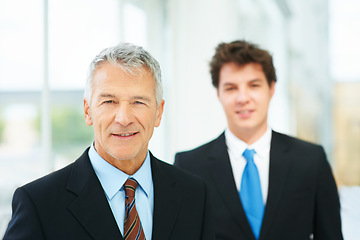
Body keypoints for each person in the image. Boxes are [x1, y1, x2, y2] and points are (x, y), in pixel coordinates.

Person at [4, 43, 215, 240]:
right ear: (88, 112)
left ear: (158, 113)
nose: (123, 118)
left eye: (138, 101)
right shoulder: (39, 203)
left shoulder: (195, 195)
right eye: (109, 101)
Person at [174, 40, 343, 240]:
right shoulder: (189, 167)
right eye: (231, 88)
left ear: (271, 89)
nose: (243, 98)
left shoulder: (311, 161)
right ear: (218, 93)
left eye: (254, 85)